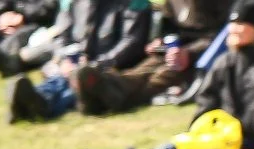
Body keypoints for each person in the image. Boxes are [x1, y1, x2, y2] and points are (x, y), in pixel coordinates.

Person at [80, 0, 254, 149]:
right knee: (182, 145)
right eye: (232, 24)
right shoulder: (225, 62)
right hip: (223, 135)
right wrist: (199, 129)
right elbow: (207, 99)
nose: (234, 29)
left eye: (241, 24)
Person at [69, 0, 231, 114]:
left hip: (206, 54)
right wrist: (159, 40)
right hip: (176, 48)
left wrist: (191, 52)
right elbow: (170, 27)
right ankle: (110, 88)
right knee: (145, 68)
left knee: (163, 76)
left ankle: (106, 95)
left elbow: (226, 32)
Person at [5, 0, 153, 122]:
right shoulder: (71, 3)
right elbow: (62, 36)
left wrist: (98, 64)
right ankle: (34, 99)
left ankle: (39, 105)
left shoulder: (135, 3)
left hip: (113, 68)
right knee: (61, 79)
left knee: (81, 78)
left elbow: (133, 42)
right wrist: (64, 58)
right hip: (75, 63)